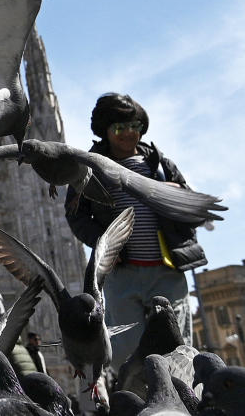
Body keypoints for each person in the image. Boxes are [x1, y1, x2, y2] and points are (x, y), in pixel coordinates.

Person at [65, 92, 202, 370]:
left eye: (135, 127)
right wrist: (103, 245)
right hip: (122, 273)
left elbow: (192, 206)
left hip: (167, 268)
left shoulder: (161, 166)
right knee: (127, 352)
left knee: (179, 348)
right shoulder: (90, 168)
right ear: (105, 129)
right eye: (119, 128)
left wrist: (177, 192)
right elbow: (77, 217)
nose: (129, 133)